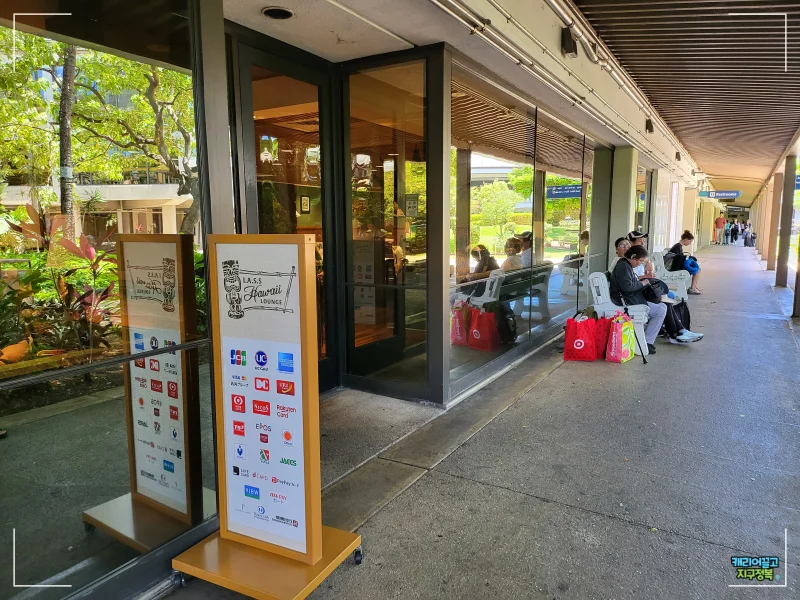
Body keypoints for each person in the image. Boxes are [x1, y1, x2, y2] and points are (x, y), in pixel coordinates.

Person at [610, 246, 702, 354]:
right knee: (660, 310)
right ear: (633, 257)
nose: (640, 264)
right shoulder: (623, 266)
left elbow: (629, 284)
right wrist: (644, 283)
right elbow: (627, 287)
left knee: (663, 306)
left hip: (630, 299)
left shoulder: (625, 265)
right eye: (640, 261)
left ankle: (667, 336)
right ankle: (648, 342)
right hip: (626, 302)